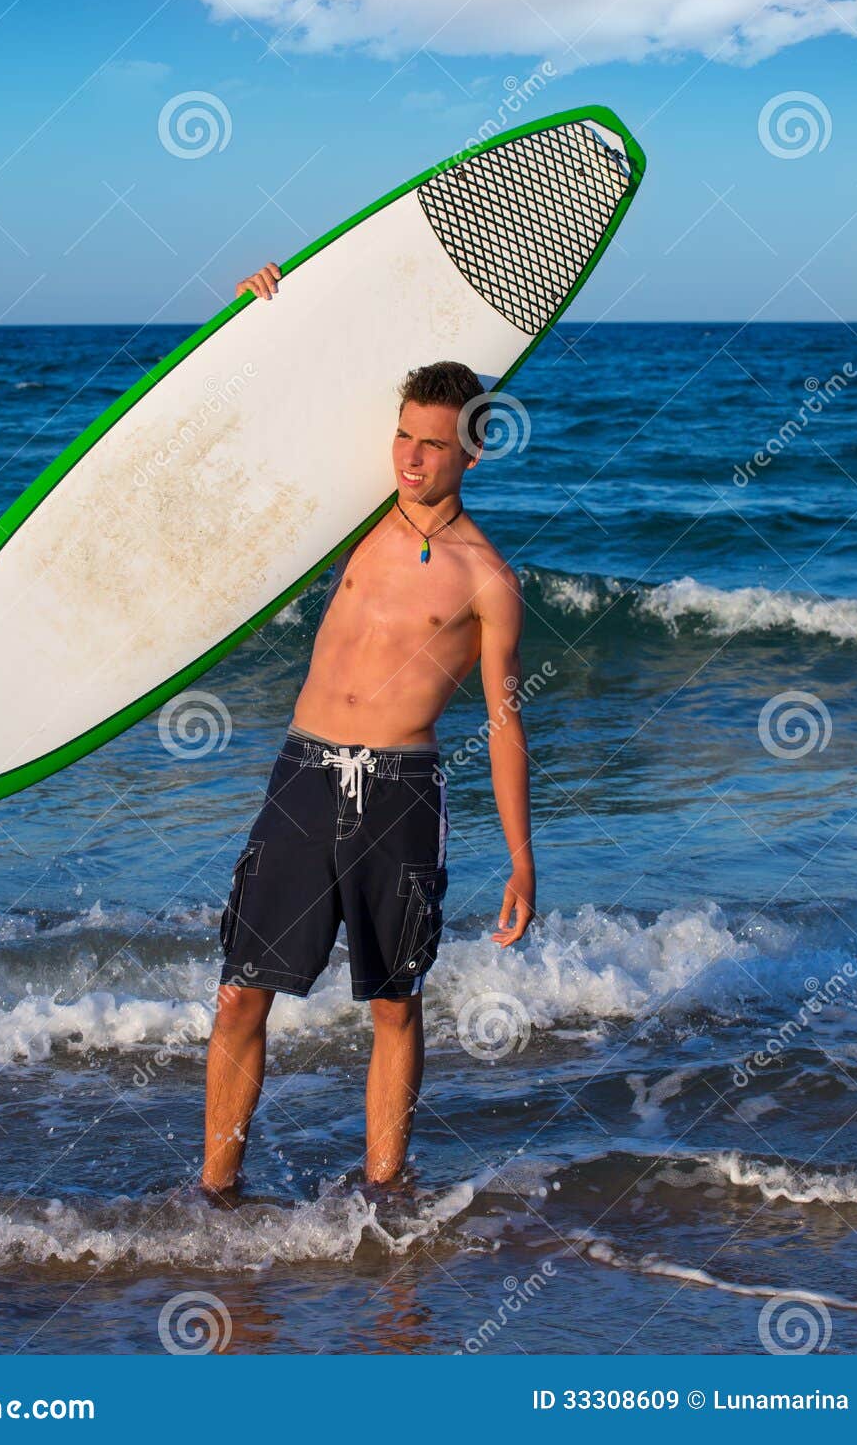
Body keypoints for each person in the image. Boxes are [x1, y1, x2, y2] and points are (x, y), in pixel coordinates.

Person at [202, 262, 535, 1193]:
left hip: (400, 789)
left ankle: (385, 1197)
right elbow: (249, 429)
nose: (410, 458)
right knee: (238, 994)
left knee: (393, 1004)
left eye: (432, 445)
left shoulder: (484, 578)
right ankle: (216, 1195)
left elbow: (504, 722)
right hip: (303, 773)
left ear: (471, 453)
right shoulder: (349, 519)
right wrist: (257, 314)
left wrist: (520, 856)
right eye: (402, 437)